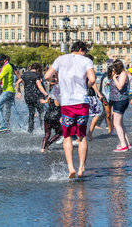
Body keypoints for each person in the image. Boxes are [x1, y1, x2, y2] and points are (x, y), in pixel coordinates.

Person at [44, 41, 95, 179]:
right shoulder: (86, 61)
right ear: (80, 50)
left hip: (66, 104)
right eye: (84, 51)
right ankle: (81, 168)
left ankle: (71, 167)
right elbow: (92, 78)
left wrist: (57, 83)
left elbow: (47, 76)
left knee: (67, 136)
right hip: (82, 102)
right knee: (81, 136)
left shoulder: (60, 59)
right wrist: (87, 86)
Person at [15, 63, 48, 133]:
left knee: (31, 113)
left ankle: (30, 130)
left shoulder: (24, 74)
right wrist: (46, 94)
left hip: (27, 96)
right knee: (41, 112)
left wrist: (19, 92)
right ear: (38, 69)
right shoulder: (36, 75)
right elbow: (39, 86)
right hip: (36, 96)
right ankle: (43, 128)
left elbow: (17, 83)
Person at [109, 59, 131, 152]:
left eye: (114, 67)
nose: (113, 69)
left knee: (116, 124)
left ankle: (123, 146)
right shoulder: (120, 74)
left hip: (120, 100)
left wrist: (114, 78)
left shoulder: (123, 74)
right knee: (120, 124)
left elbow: (120, 86)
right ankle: (127, 143)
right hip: (118, 100)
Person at [39, 76, 63, 152]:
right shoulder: (59, 98)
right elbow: (61, 106)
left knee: (47, 133)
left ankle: (43, 148)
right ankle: (48, 144)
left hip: (47, 116)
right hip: (55, 117)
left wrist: (44, 101)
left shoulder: (50, 97)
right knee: (59, 132)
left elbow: (47, 101)